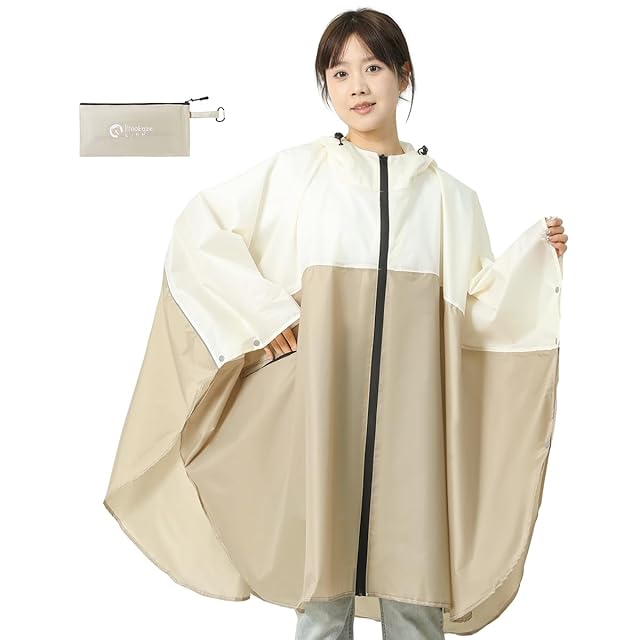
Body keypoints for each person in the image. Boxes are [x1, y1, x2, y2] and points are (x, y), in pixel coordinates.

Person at [103, 8, 568, 640]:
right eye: (340, 72)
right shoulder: (299, 174)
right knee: (322, 603)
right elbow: (200, 229)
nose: (357, 86)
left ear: (403, 75)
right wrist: (267, 317)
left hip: (416, 434)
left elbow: (477, 316)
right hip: (319, 416)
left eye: (373, 67)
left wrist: (534, 262)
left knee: (415, 600)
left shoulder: (451, 199)